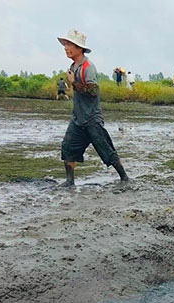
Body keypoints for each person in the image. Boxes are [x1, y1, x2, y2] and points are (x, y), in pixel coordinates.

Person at [57, 29, 129, 187]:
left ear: (79, 48)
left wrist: (74, 82)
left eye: (69, 44)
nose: (65, 47)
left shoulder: (88, 67)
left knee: (106, 149)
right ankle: (70, 181)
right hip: (78, 119)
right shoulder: (73, 66)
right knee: (68, 147)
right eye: (65, 44)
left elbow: (93, 91)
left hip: (92, 119)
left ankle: (124, 178)